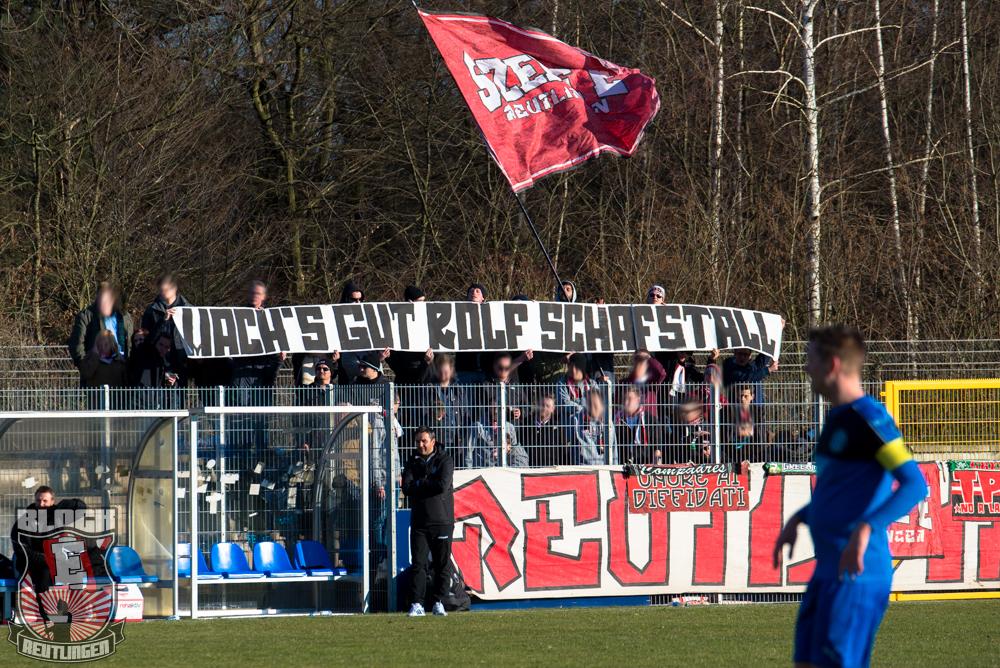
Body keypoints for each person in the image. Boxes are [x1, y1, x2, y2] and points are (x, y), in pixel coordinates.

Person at [773, 325, 926, 668]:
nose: (806, 367)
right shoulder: (836, 419)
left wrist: (866, 528)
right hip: (826, 572)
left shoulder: (869, 417)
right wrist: (799, 518)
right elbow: (839, 491)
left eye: (810, 359)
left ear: (832, 364)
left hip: (856, 576)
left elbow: (915, 484)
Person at [401, 427, 455, 617]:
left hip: (441, 520)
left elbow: (442, 485)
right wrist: (425, 484)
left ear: (433, 441)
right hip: (419, 522)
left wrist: (420, 483)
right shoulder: (411, 461)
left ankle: (439, 602)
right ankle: (417, 604)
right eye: (417, 441)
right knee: (418, 564)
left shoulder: (445, 460)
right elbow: (406, 487)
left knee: (442, 564)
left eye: (423, 441)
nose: (420, 445)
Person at [10, 488, 88, 606]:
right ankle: (43, 610)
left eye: (45, 501)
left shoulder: (58, 517)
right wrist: (46, 559)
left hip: (54, 562)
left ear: (52, 502)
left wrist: (64, 504)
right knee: (44, 571)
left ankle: (76, 609)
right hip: (30, 564)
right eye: (38, 500)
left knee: (74, 570)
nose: (41, 504)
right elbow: (22, 551)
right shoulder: (24, 522)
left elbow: (81, 509)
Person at [229, 281, 286, 401]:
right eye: (251, 293)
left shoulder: (271, 320)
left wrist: (279, 360)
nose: (254, 296)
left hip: (262, 386)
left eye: (257, 293)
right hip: (240, 382)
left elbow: (270, 371)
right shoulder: (236, 318)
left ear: (263, 296)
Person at [68, 282, 134, 384]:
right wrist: (87, 368)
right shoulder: (86, 317)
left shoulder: (125, 317)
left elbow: (130, 345)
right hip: (97, 373)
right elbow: (76, 345)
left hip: (121, 370)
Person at [424, 354, 467, 467]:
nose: (443, 374)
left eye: (446, 371)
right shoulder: (429, 389)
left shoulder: (459, 390)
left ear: (451, 370)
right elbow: (424, 413)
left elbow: (464, 413)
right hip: (437, 439)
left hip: (456, 439)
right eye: (440, 371)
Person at [141, 273, 193, 363]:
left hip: (183, 359)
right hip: (159, 360)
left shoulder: (189, 309)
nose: (163, 292)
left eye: (166, 289)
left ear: (175, 288)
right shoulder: (151, 310)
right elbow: (146, 338)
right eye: (161, 289)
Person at [386, 286, 434, 384]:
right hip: (406, 378)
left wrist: (427, 362)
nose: (423, 304)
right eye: (420, 301)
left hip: (424, 379)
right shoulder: (396, 324)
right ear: (410, 301)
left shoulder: (426, 322)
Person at [468, 401, 529, 468]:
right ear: (488, 408)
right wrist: (468, 470)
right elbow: (468, 452)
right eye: (493, 408)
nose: (496, 411)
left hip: (504, 470)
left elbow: (514, 452)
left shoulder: (510, 427)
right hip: (481, 470)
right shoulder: (477, 427)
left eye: (499, 408)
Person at [614, 385, 662, 465]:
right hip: (620, 466)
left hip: (644, 466)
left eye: (629, 399)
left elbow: (657, 448)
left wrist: (654, 467)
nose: (626, 402)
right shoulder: (617, 420)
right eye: (624, 399)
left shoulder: (650, 420)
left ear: (638, 400)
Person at [570, 389, 616, 465]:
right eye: (590, 403)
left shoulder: (607, 422)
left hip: (604, 468)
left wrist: (614, 468)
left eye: (595, 404)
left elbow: (613, 449)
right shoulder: (575, 420)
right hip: (582, 467)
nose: (592, 407)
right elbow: (569, 448)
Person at [522, 393, 567, 466]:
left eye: (548, 406)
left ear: (553, 409)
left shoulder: (559, 429)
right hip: (527, 468)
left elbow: (564, 455)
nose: (544, 408)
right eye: (542, 405)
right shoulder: (524, 424)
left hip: (550, 469)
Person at [555, 353, 602, 422]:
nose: (573, 370)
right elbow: (564, 404)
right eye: (571, 366)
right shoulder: (561, 384)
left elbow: (597, 404)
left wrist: (575, 401)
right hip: (569, 424)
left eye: (577, 367)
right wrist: (585, 407)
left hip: (590, 424)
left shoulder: (591, 384)